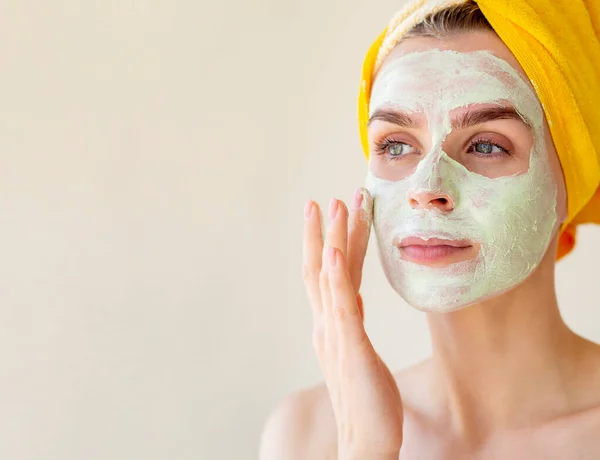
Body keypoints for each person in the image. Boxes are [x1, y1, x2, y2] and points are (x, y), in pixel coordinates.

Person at [260, 0, 600, 458]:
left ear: (572, 174)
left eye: (486, 144)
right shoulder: (307, 435)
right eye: (396, 145)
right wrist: (366, 447)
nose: (426, 188)